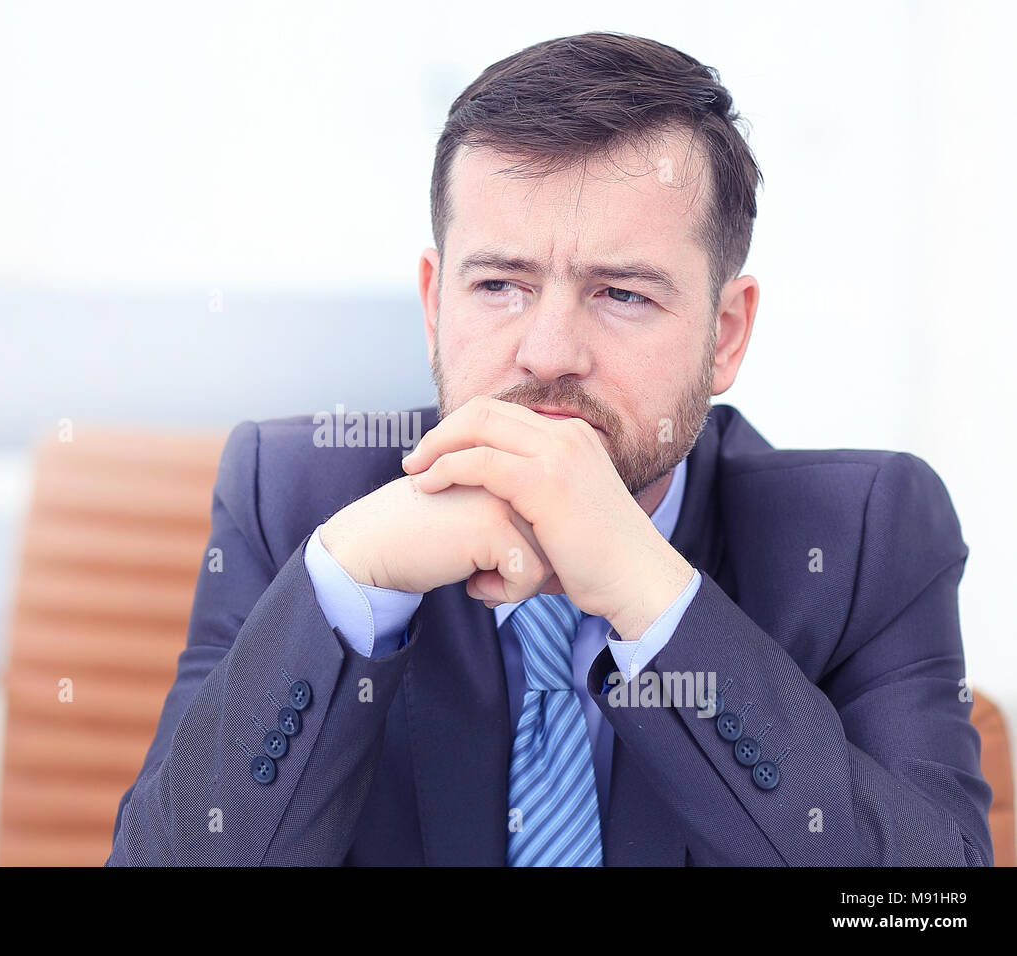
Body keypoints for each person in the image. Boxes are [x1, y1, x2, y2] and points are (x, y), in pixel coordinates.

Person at [105, 31, 992, 866]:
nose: (548, 353)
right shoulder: (293, 498)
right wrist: (349, 586)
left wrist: (656, 602)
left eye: (621, 294)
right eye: (499, 284)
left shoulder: (865, 537)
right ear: (434, 306)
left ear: (726, 333)